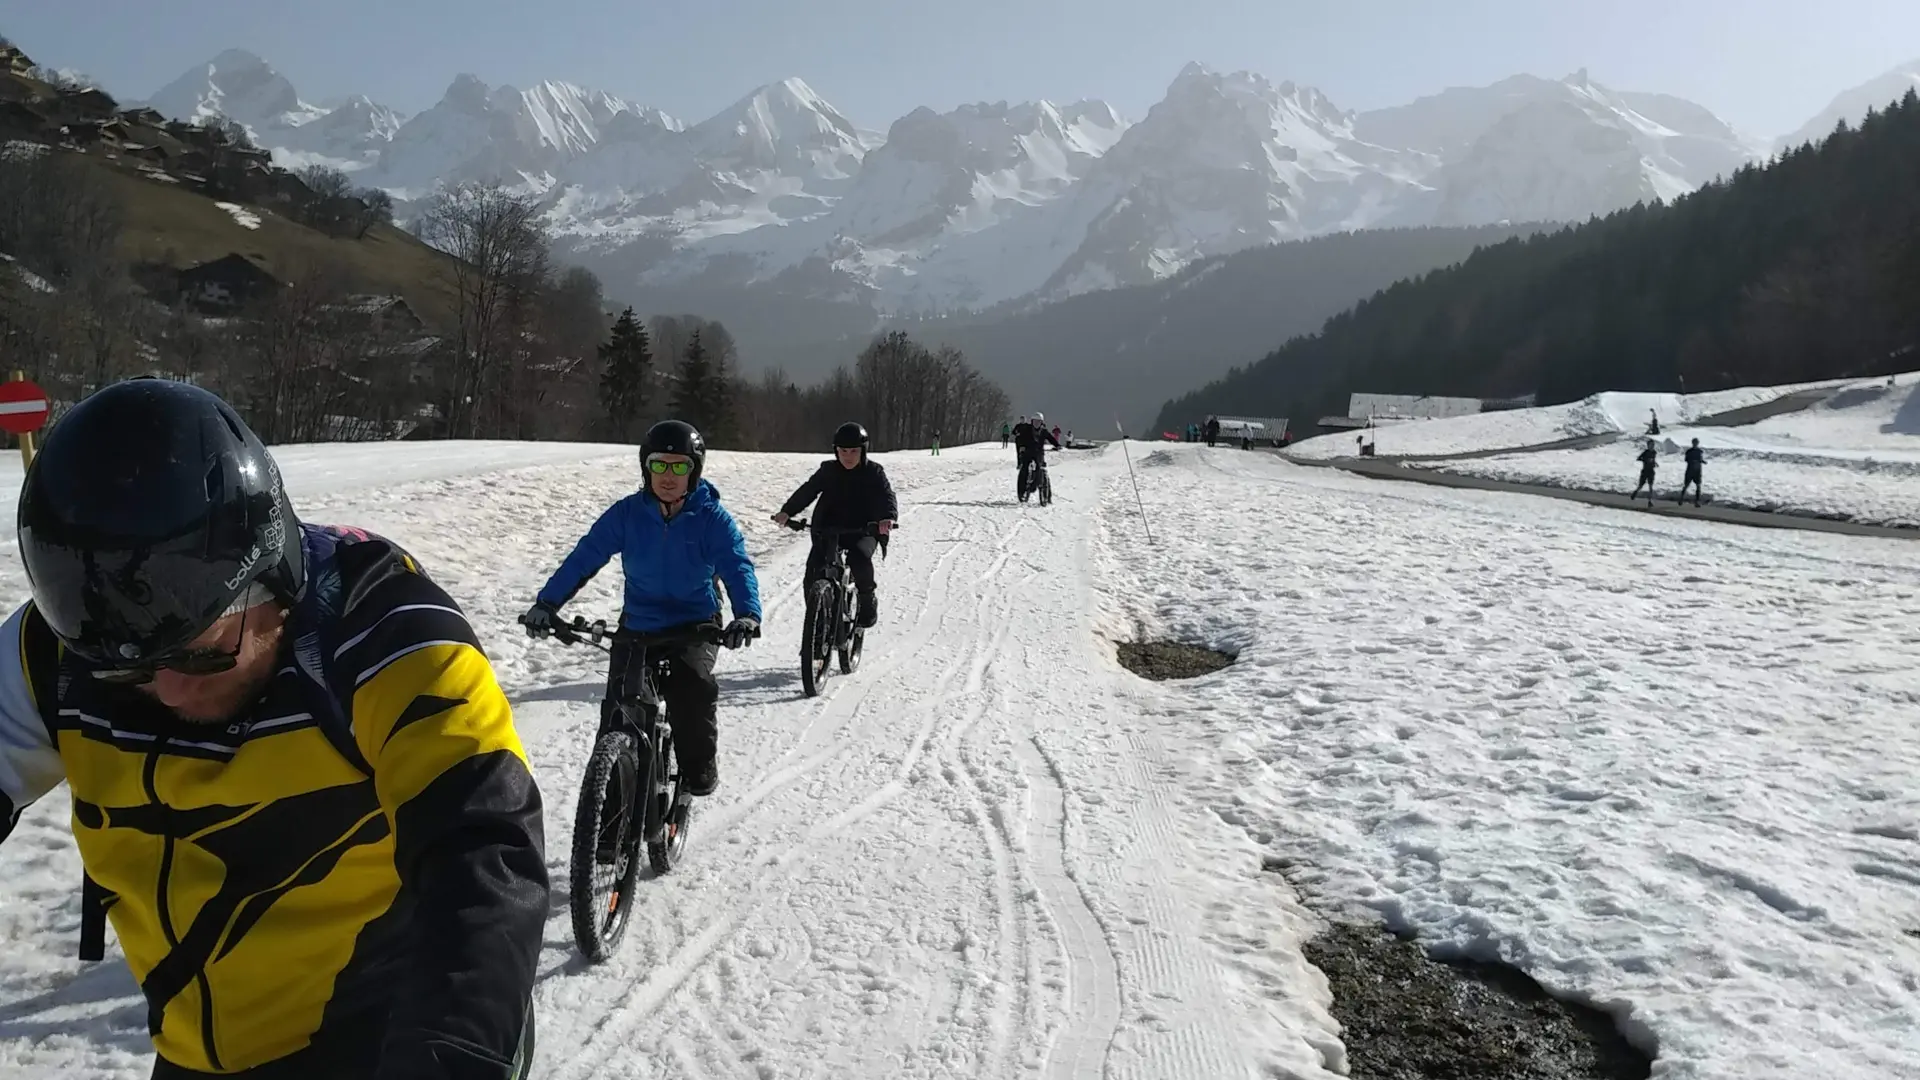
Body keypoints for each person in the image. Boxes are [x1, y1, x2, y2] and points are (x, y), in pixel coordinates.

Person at [0, 377, 547, 1079]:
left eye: (201, 650)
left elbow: (484, 845)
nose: (167, 690)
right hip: (192, 1052)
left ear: (273, 574)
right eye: (125, 673)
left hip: (392, 1030)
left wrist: (457, 1052)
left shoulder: (382, 628)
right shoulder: (66, 647)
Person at [523, 420, 762, 797]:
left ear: (694, 471)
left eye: (679, 466)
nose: (668, 476)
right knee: (621, 711)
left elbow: (737, 566)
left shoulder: (713, 519)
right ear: (645, 467)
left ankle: (698, 766)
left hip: (695, 625)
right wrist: (547, 604)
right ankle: (608, 824)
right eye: (659, 464)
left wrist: (747, 614)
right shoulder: (627, 514)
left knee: (692, 689)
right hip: (640, 624)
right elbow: (585, 556)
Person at [773, 422, 898, 628]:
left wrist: (887, 518)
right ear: (836, 451)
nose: (848, 456)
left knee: (859, 558)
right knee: (814, 570)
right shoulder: (828, 471)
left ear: (863, 451)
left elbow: (886, 496)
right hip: (829, 528)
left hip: (864, 529)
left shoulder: (873, 472)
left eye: (854, 451)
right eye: (843, 451)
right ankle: (817, 619)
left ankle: (867, 597)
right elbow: (808, 491)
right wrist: (787, 511)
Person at [1011, 411, 1063, 503]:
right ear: (1032, 421)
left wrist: (1057, 445)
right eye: (1035, 421)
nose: (1036, 424)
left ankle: (1045, 493)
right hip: (1028, 452)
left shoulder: (1044, 431)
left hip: (1039, 453)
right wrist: (1022, 447)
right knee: (1024, 469)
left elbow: (1051, 438)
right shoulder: (1027, 429)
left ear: (1041, 422)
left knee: (1041, 469)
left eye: (1038, 422)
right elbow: (1020, 438)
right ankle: (1022, 491)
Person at [1679, 438, 1705, 506]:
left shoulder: (1700, 451)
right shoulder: (1689, 451)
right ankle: (1681, 498)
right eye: (1694, 442)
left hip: (1697, 471)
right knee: (1686, 485)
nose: (1695, 444)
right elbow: (1686, 459)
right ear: (1692, 443)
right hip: (1690, 470)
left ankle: (1697, 501)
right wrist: (1693, 461)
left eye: (1696, 442)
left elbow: (1700, 459)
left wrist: (1702, 461)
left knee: (1698, 486)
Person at [1632, 440, 1659, 504]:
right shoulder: (1645, 452)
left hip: (1651, 471)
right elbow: (1639, 458)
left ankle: (1650, 501)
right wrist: (1645, 460)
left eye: (1653, 445)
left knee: (1651, 486)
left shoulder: (1654, 452)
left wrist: (1655, 463)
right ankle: (1635, 492)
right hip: (1645, 471)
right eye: (1650, 445)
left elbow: (1653, 460)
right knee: (1641, 485)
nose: (1652, 446)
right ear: (1648, 445)